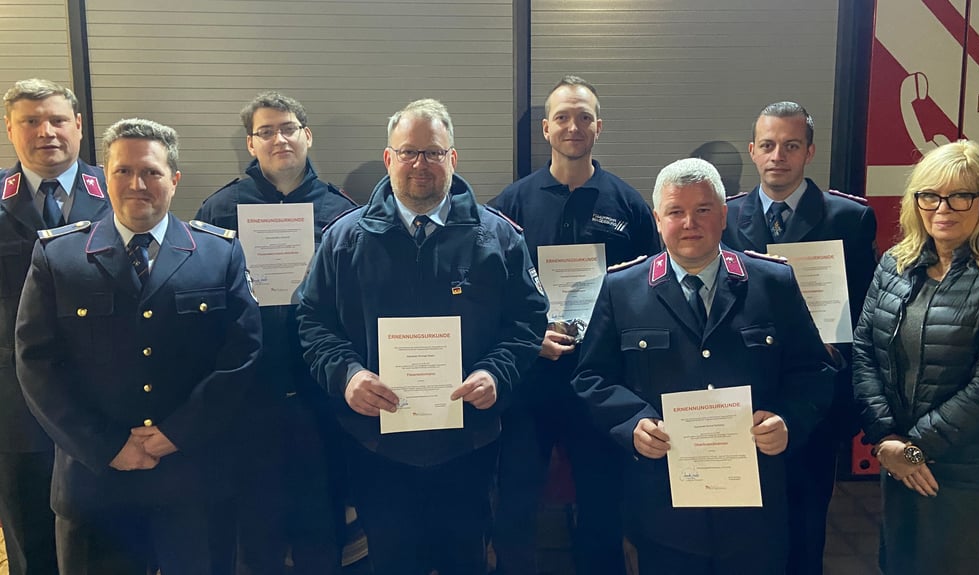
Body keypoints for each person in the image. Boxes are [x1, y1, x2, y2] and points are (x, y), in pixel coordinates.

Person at [297, 98, 547, 575]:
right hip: (375, 444)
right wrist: (347, 375)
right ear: (389, 158)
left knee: (465, 559)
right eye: (409, 152)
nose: (420, 164)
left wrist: (496, 372)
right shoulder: (343, 240)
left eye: (433, 153)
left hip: (467, 443)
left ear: (452, 159)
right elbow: (313, 322)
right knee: (391, 559)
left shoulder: (498, 238)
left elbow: (528, 321)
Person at [14, 118, 262, 575]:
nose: (136, 184)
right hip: (95, 481)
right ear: (105, 177)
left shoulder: (219, 253)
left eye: (150, 172)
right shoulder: (58, 256)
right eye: (123, 171)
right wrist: (107, 445)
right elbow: (37, 366)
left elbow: (241, 357)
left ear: (174, 180)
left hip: (193, 477)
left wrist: (178, 433)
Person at [573, 157, 834, 574]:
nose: (690, 223)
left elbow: (814, 371)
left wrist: (788, 420)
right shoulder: (622, 289)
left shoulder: (772, 282)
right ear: (658, 219)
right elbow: (591, 376)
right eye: (676, 211)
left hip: (754, 504)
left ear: (724, 214)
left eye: (703, 210)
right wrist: (632, 423)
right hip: (665, 505)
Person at [488, 74, 660, 575]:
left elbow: (649, 291)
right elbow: (491, 293)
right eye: (562, 116)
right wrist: (527, 338)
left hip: (601, 380)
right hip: (531, 379)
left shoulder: (628, 205)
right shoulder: (510, 206)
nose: (573, 126)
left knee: (602, 500)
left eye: (584, 116)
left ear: (598, 127)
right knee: (517, 497)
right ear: (545, 128)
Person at [196, 91, 357, 575]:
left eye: (288, 127)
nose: (279, 138)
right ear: (251, 143)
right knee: (254, 523)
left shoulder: (344, 212)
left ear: (307, 136)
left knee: (321, 517)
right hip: (249, 394)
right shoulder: (220, 210)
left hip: (322, 392)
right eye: (266, 131)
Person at [853, 140, 979, 575]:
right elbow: (865, 354)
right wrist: (888, 440)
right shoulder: (894, 264)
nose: (942, 208)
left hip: (973, 476)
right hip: (902, 464)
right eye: (929, 195)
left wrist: (911, 450)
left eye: (960, 195)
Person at [721, 101, 877, 575]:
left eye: (791, 146)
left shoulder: (848, 218)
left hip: (813, 393)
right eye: (767, 145)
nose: (778, 156)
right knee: (744, 521)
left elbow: (868, 309)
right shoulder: (724, 217)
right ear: (752, 151)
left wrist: (838, 354)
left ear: (810, 151)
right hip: (744, 390)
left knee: (808, 518)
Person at [0, 78, 110, 575]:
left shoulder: (121, 187)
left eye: (58, 119)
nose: (46, 131)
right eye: (30, 121)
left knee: (107, 535)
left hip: (103, 397)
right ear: (10, 129)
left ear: (80, 127)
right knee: (28, 535)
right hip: (13, 404)